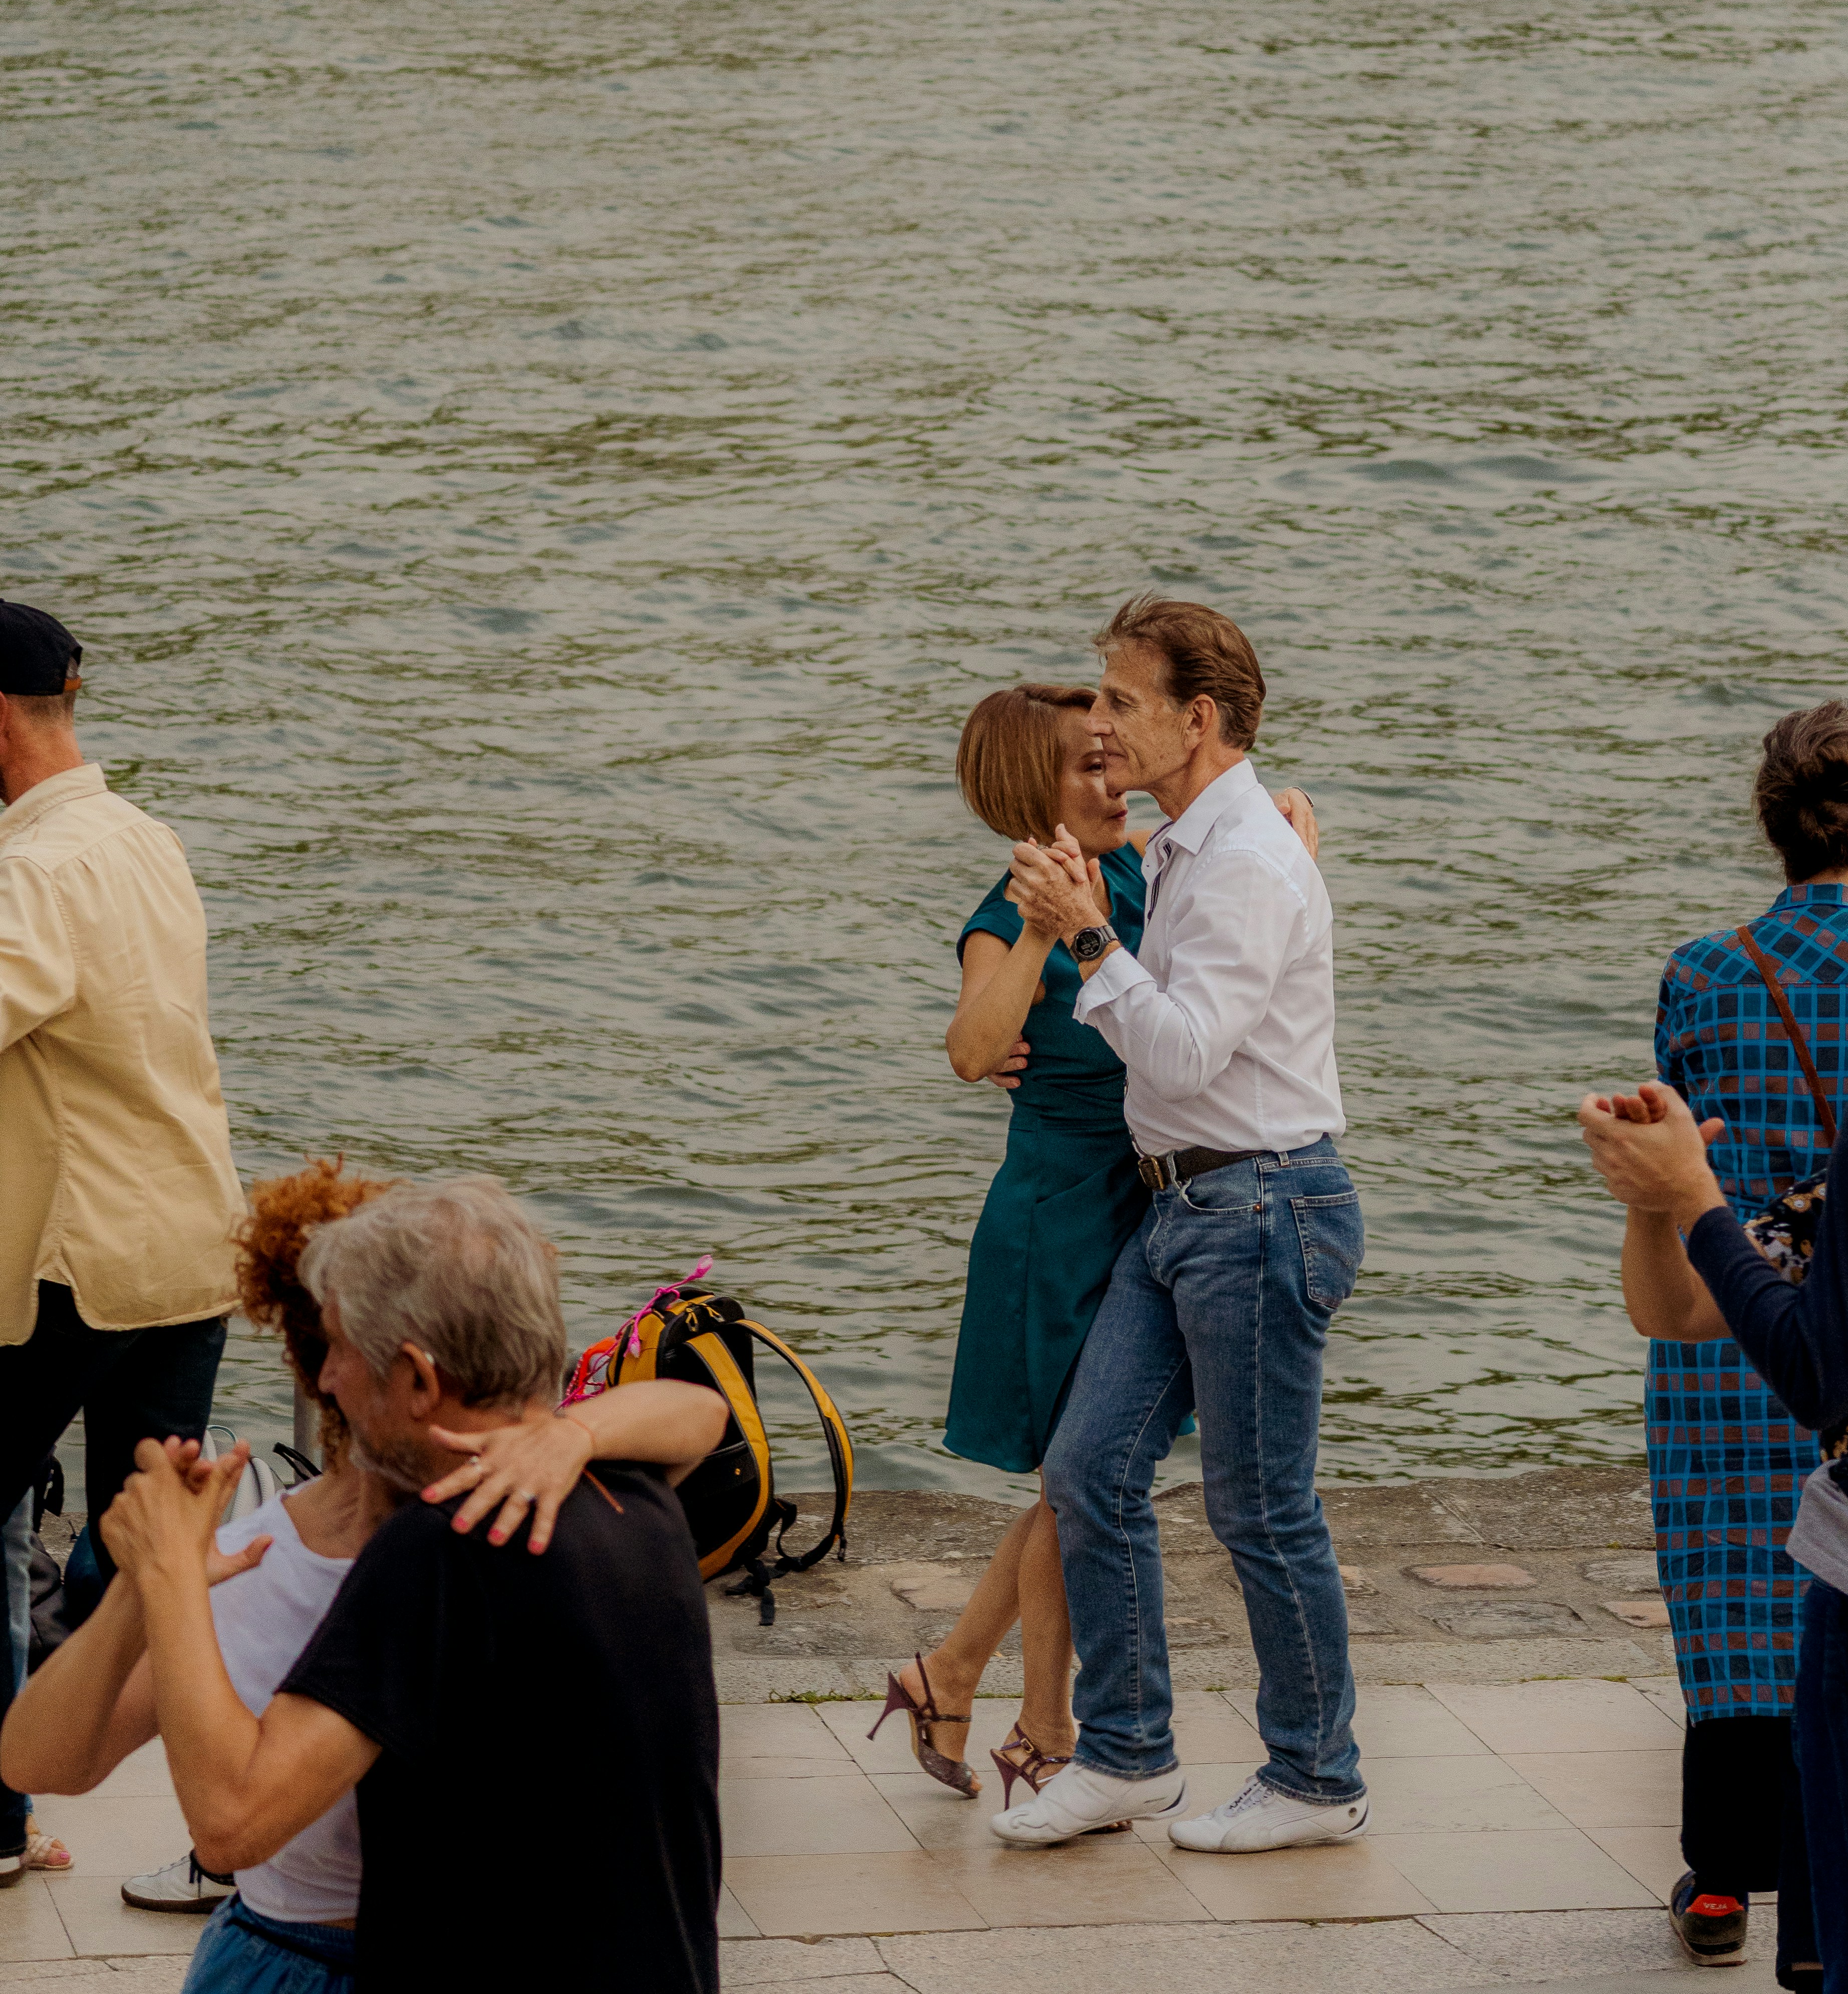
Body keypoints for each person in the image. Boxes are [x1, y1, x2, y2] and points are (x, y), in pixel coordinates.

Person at [7, 1174, 724, 1994]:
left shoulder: (441, 1549)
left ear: (416, 1376)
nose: (330, 1375)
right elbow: (36, 1756)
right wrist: (579, 1431)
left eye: (340, 1345)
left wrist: (165, 1574)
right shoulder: (636, 1498)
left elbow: (231, 1823)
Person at [877, 684, 1321, 1809]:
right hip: (1062, 1220)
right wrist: (1040, 927)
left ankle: (957, 1676)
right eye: (1085, 767)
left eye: (1111, 755)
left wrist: (1284, 835)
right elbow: (973, 1049)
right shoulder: (1008, 908)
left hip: (1155, 1203)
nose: (1112, 778)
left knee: (1086, 1478)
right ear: (1032, 794)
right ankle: (1041, 1724)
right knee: (1081, 1480)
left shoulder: (1145, 865)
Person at [995, 595, 1365, 1855]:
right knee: (1088, 1471)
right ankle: (1127, 1754)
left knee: (1262, 1511)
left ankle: (1318, 1777)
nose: (1095, 724)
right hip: (1184, 1206)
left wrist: (1086, 936)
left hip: (1260, 1201)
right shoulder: (1189, 845)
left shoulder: (1248, 859)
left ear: (1194, 718)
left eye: (1118, 700)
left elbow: (1193, 1053)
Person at [1626, 704, 1848, 1970]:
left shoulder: (1702, 969)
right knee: (1837, 1583)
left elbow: (1683, 1136)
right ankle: (1824, 1899)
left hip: (1716, 1305)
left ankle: (1725, 1876)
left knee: (1725, 1587)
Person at [0, 599, 246, 1887]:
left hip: (72, 1270)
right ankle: (245, 1832)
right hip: (189, 1247)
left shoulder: (33, 872)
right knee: (163, 1551)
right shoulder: (141, 836)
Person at [1579, 1043, 1848, 1992]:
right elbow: (1671, 1308)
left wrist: (1695, 1200)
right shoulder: (1847, 1196)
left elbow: (1817, 1373)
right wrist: (1654, 1199)